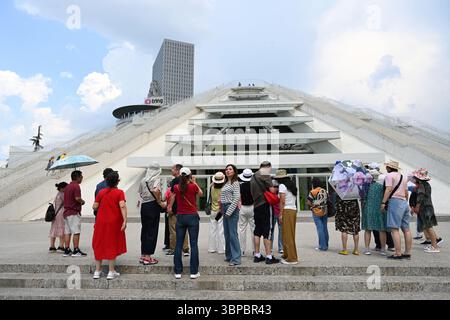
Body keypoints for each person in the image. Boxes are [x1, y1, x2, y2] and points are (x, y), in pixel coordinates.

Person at [168, 167, 203, 279]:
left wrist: (169, 207)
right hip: (192, 217)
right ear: (189, 176)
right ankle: (193, 272)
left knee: (178, 244)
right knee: (193, 244)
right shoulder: (193, 186)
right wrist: (194, 182)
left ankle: (178, 271)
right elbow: (201, 193)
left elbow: (172, 197)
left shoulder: (176, 187)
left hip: (181, 217)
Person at [92, 171, 127, 280]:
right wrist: (125, 220)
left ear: (106, 181)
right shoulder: (120, 192)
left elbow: (94, 206)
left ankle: (97, 271)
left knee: (99, 243)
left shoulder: (101, 192)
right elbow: (122, 205)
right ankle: (111, 272)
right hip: (114, 222)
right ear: (118, 181)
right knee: (112, 243)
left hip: (100, 222)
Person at [250, 161, 280, 264]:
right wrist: (276, 189)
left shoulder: (253, 176)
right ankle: (269, 256)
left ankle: (257, 255)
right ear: (268, 167)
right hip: (265, 205)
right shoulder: (265, 174)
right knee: (268, 230)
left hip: (256, 206)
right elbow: (272, 191)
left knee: (257, 231)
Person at [381, 160, 412, 260]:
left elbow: (388, 189)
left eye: (387, 167)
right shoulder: (403, 177)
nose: (386, 168)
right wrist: (406, 203)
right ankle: (407, 252)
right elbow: (406, 192)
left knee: (394, 229)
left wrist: (383, 202)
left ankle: (397, 253)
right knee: (406, 229)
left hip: (395, 202)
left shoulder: (389, 176)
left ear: (389, 168)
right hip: (404, 202)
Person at [137, 163, 166, 265]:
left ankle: (143, 254)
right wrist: (159, 201)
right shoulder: (156, 179)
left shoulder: (143, 180)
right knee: (152, 231)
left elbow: (140, 193)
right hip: (152, 206)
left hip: (144, 206)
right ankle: (148, 257)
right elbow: (156, 190)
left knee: (144, 230)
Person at [411, 169, 441, 253]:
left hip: (424, 208)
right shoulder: (426, 184)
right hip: (428, 207)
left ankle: (434, 247)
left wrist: (417, 206)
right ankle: (434, 245)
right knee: (428, 226)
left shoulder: (421, 185)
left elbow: (420, 196)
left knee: (428, 226)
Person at [361, 170, 389, 256]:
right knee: (381, 229)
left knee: (367, 229)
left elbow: (362, 199)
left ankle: (367, 249)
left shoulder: (365, 188)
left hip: (368, 209)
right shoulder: (381, 187)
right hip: (379, 210)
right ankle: (383, 249)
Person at [274, 170, 298, 265]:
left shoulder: (282, 186)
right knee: (287, 234)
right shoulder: (291, 186)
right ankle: (286, 255)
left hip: (286, 210)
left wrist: (280, 214)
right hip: (292, 210)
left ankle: (292, 258)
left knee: (287, 235)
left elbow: (282, 201)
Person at [166, 164, 190, 256]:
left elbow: (173, 195)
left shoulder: (175, 181)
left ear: (177, 170)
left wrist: (170, 207)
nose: (171, 170)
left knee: (173, 230)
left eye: (173, 169)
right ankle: (186, 249)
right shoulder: (188, 181)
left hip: (175, 209)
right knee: (185, 230)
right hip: (185, 210)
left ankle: (173, 249)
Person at [63, 170, 87, 257]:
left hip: (66, 212)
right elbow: (77, 198)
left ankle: (67, 249)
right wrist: (82, 201)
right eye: (81, 176)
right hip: (73, 212)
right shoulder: (76, 186)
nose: (82, 178)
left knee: (67, 232)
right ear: (77, 177)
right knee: (76, 231)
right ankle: (76, 250)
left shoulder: (67, 187)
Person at [221, 165, 241, 266]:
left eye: (230, 169)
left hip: (231, 208)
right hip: (224, 208)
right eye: (226, 169)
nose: (227, 171)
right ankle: (229, 256)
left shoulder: (235, 183)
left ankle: (236, 258)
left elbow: (237, 198)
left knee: (233, 234)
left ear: (234, 171)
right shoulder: (226, 183)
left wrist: (229, 211)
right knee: (227, 233)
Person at [307, 178, 330, 252]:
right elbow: (327, 200)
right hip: (325, 211)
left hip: (316, 211)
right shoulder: (325, 191)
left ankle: (322, 246)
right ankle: (326, 244)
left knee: (320, 229)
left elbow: (308, 202)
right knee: (325, 228)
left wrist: (312, 205)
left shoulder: (313, 192)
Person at [238, 169, 255, 256]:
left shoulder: (240, 185)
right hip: (252, 207)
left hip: (243, 207)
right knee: (253, 229)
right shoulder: (253, 185)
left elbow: (238, 197)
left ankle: (242, 250)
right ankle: (254, 250)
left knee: (241, 229)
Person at [208, 172, 225, 254]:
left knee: (212, 229)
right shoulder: (224, 188)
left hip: (213, 210)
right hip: (220, 211)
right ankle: (221, 249)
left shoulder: (211, 187)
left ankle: (211, 248)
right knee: (221, 230)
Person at [49, 182, 68, 253]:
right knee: (62, 229)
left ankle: (52, 246)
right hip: (61, 213)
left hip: (56, 213)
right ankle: (61, 246)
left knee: (54, 229)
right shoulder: (63, 194)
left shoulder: (58, 194)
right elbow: (66, 203)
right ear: (62, 188)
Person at [269, 180, 283, 255]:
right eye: (273, 186)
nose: (275, 188)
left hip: (279, 213)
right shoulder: (270, 194)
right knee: (271, 231)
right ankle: (270, 247)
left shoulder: (281, 194)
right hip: (272, 214)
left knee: (281, 231)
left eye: (276, 187)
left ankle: (281, 247)